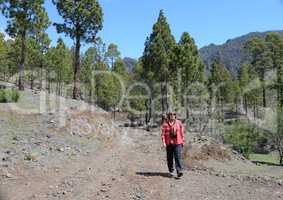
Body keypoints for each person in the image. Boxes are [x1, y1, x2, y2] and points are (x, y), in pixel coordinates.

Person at [161, 112, 185, 178]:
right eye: (171, 115)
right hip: (169, 143)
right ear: (169, 116)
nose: (172, 116)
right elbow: (163, 134)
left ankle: (179, 171)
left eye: (174, 115)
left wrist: (183, 140)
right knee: (170, 158)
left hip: (177, 142)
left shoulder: (179, 123)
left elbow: (182, 131)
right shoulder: (165, 124)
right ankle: (171, 170)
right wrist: (164, 142)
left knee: (178, 157)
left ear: (175, 116)